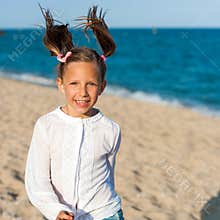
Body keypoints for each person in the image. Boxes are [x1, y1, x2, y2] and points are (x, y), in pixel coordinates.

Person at [24, 5, 124, 220]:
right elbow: (36, 180)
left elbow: (108, 177)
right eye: (74, 83)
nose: (82, 92)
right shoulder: (47, 125)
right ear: (61, 85)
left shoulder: (111, 129)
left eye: (91, 84)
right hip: (61, 215)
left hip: (106, 213)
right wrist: (54, 210)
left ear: (102, 87)